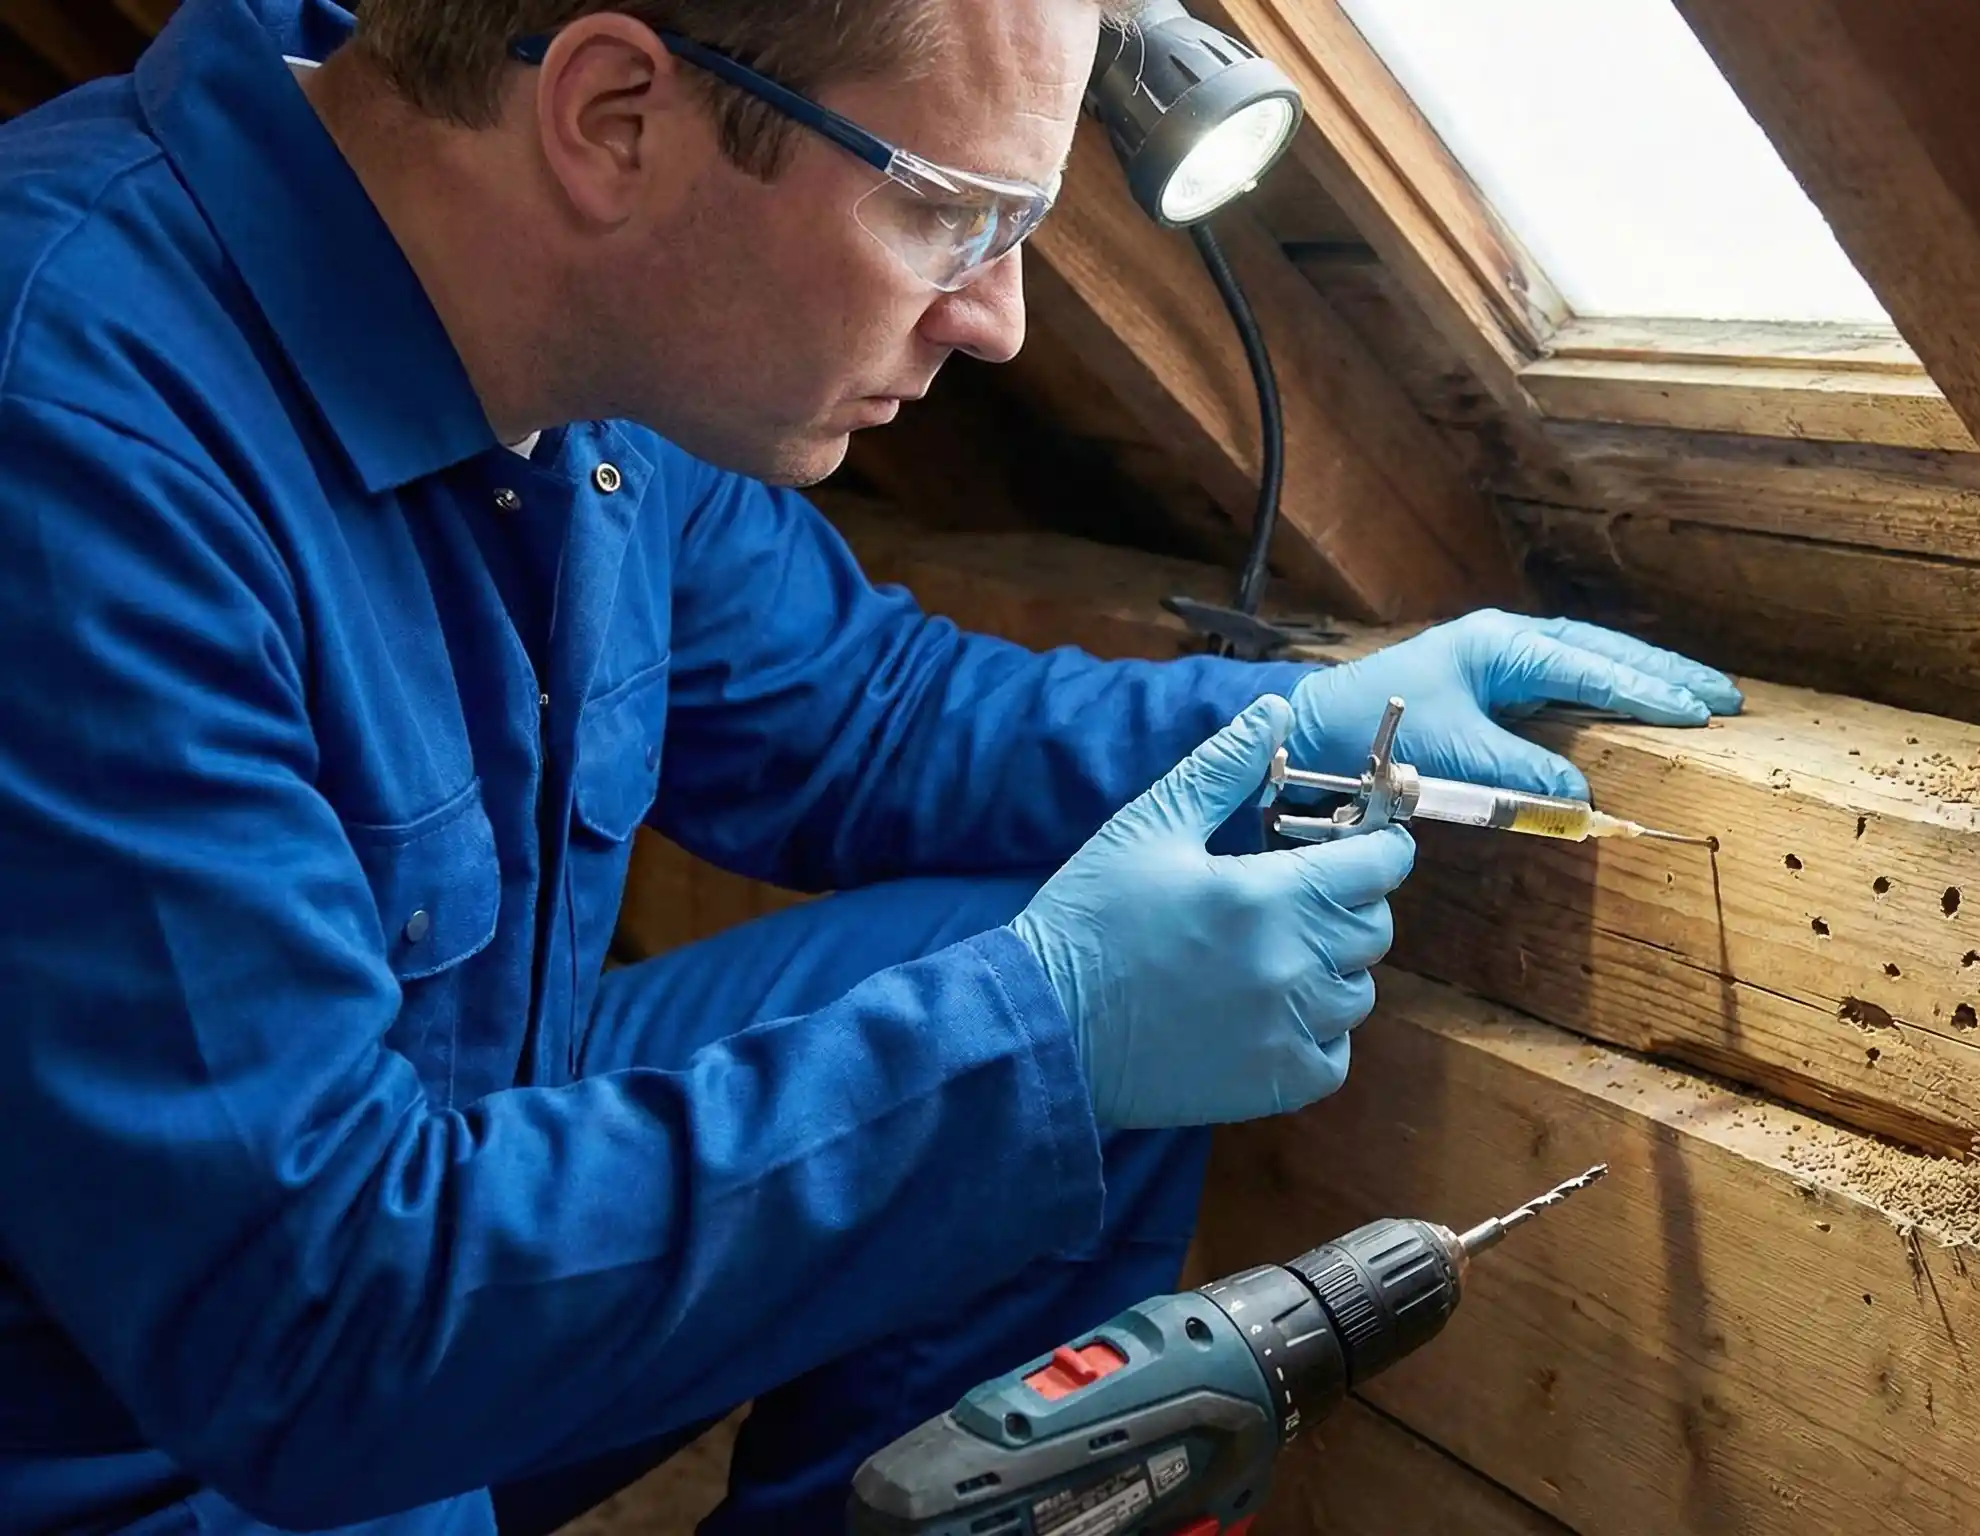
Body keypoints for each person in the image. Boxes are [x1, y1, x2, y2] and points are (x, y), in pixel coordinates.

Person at [0, 0, 1742, 1529]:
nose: (1000, 322)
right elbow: (311, 1326)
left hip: (418, 1221)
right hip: (157, 1425)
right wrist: (1039, 1045)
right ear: (616, 114)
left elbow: (859, 715)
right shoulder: (75, 436)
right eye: (948, 212)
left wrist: (1296, 723)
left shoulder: (567, 336)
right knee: (1024, 1052)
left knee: (1044, 993)